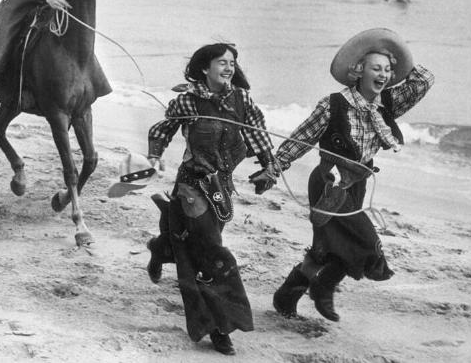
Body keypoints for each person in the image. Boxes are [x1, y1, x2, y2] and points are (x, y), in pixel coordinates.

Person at [259, 28, 434, 322]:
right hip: (328, 185)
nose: (383, 74)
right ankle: (323, 288)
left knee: (325, 250)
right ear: (359, 71)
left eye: (388, 70)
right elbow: (302, 138)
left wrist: (396, 51)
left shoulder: (388, 103)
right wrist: (273, 169)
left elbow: (424, 80)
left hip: (357, 185)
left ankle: (287, 295)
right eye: (376, 68)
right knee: (366, 242)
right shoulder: (333, 104)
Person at [145, 43, 277, 356]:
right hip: (192, 184)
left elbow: (257, 132)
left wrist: (268, 166)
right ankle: (220, 327)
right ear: (205, 67)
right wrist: (154, 156)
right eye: (222, 62)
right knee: (212, 251)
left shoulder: (241, 98)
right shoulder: (188, 100)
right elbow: (163, 129)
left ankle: (162, 247)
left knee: (198, 242)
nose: (229, 68)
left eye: (232, 62)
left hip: (222, 185)